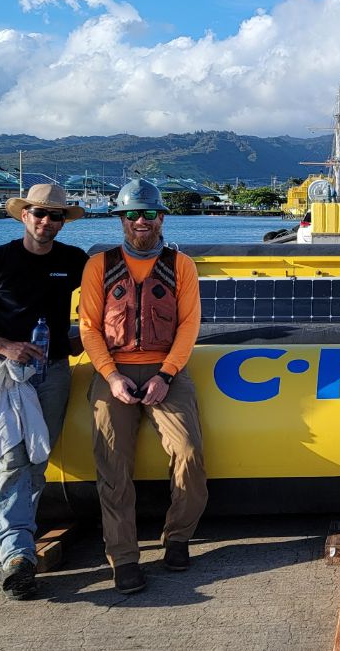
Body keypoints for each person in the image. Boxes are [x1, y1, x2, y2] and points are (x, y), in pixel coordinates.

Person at [0, 184, 87, 600]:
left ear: (64, 221)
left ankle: (10, 553)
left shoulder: (74, 261)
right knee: (13, 458)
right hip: (7, 374)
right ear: (24, 215)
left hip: (54, 371)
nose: (47, 222)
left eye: (56, 216)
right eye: (39, 214)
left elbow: (102, 304)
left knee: (37, 457)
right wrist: (5, 346)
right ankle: (16, 555)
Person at [79, 179, 208, 594]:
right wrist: (111, 375)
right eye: (131, 214)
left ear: (161, 217)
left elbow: (189, 324)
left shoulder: (180, 266)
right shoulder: (99, 265)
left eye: (148, 213)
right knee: (113, 467)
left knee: (188, 453)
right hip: (112, 371)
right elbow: (89, 327)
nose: (140, 221)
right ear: (120, 218)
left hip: (166, 372)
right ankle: (124, 558)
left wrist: (166, 374)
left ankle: (178, 538)